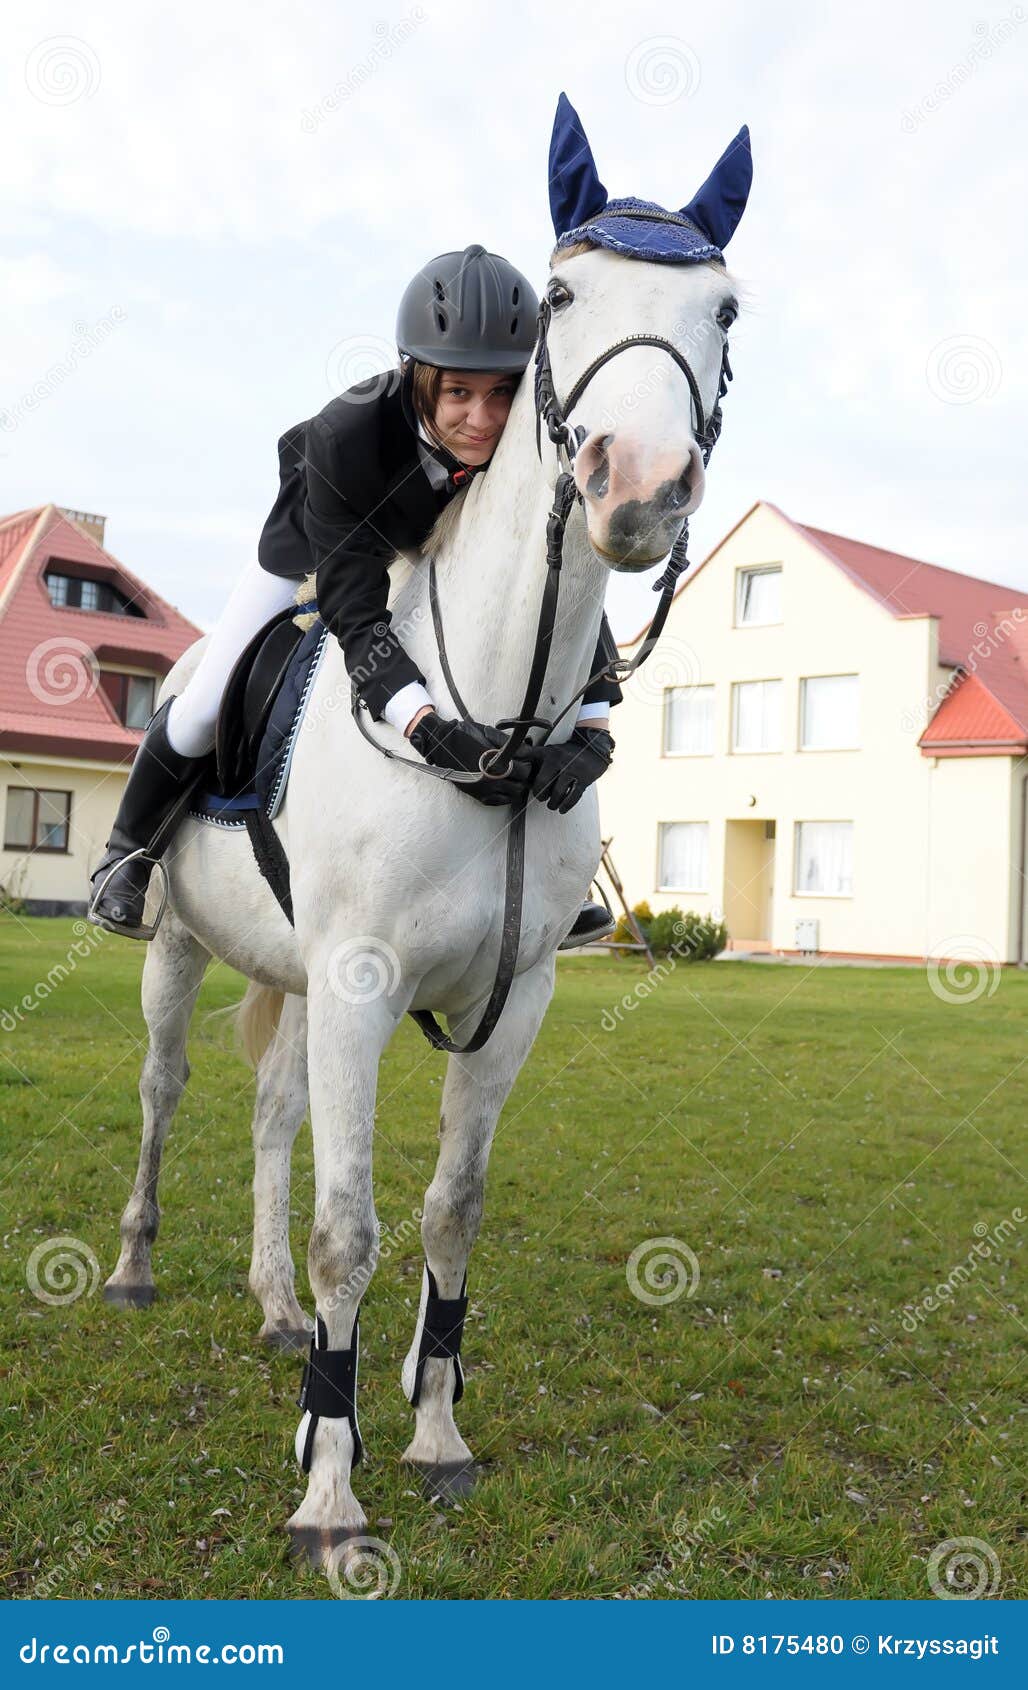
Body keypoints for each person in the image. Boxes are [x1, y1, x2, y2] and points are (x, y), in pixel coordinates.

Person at [87, 245, 620, 943]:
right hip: (322, 547)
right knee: (205, 701)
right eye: (459, 393)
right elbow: (355, 614)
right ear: (419, 377)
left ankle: (547, 890)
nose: (485, 420)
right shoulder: (348, 435)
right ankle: (127, 853)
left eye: (502, 392)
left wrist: (594, 729)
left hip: (442, 546)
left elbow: (557, 578)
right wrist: (427, 730)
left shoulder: (534, 433)